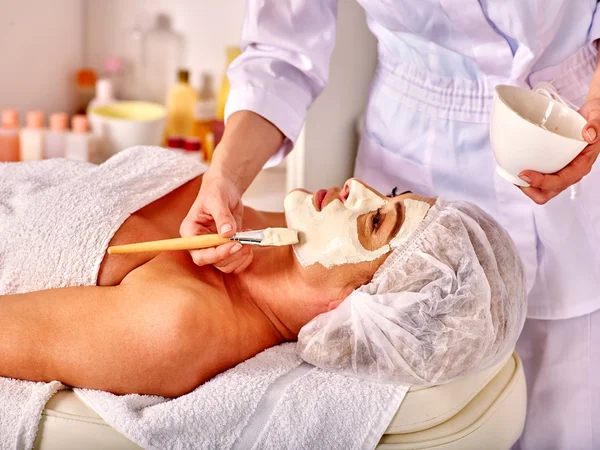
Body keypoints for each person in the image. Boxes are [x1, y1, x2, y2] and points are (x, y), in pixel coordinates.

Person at [180, 2, 600, 448]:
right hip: (413, 141)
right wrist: (225, 175)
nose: (352, 187)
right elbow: (280, 51)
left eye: (382, 212)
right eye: (383, 213)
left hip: (571, 134)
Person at [0, 147, 525, 402]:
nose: (355, 185)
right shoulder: (275, 233)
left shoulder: (179, 327)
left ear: (358, 305)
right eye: (388, 197)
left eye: (373, 220)